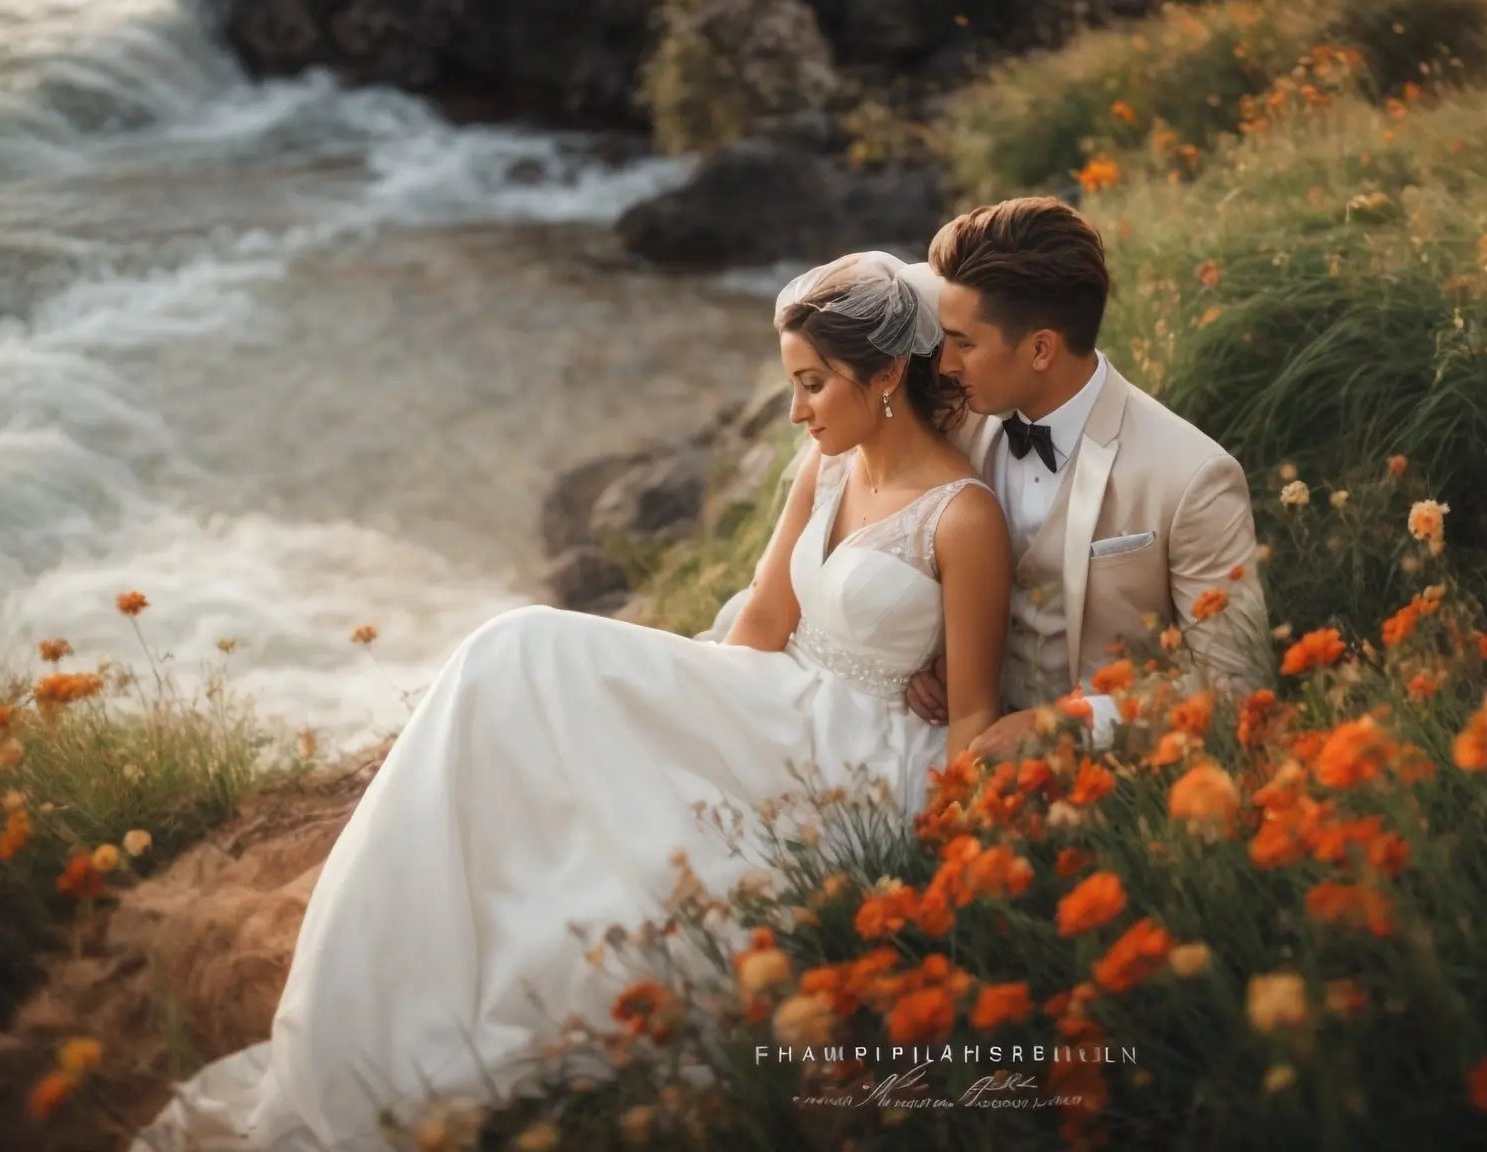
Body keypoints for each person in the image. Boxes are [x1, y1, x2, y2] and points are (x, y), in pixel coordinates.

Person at [137, 251, 1011, 1151]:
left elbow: (975, 710)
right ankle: (401, 960)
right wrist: (674, 695)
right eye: (793, 384)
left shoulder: (964, 516)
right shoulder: (823, 467)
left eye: (814, 385)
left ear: (890, 372)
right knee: (517, 650)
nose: (795, 411)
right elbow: (761, 616)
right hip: (770, 700)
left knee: (558, 713)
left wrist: (954, 851)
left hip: (857, 761)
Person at [906, 197, 1268, 758]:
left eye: (965, 344)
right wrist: (918, 663)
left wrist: (1073, 724)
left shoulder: (1193, 477)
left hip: (1113, 784)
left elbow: (1237, 685)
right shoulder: (957, 424)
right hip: (946, 744)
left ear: (1041, 349)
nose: (945, 365)